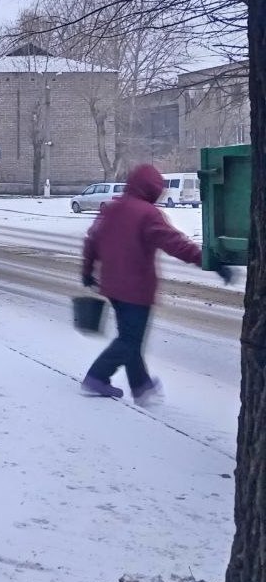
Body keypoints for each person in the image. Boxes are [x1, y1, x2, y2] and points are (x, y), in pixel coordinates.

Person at [80, 164, 232, 404]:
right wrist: (210, 262)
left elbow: (92, 241)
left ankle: (141, 387)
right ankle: (97, 377)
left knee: (130, 338)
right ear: (152, 189)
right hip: (136, 290)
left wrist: (87, 272)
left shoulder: (111, 209)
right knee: (129, 341)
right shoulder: (148, 214)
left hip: (112, 286)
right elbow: (176, 244)